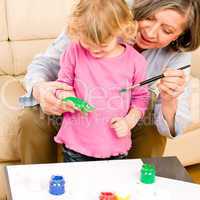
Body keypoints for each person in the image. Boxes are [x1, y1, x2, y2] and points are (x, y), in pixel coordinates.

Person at [19, 0, 200, 163]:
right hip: (74, 109)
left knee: (151, 116)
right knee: (32, 118)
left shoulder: (174, 57)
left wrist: (169, 100)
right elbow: (46, 65)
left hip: (123, 118)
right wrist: (41, 90)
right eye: (149, 18)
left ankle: (140, 187)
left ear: (179, 35)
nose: (150, 32)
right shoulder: (102, 16)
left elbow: (167, 124)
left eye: (167, 30)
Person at [53, 0, 149, 162]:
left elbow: (141, 99)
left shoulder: (136, 61)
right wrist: (67, 98)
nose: (95, 49)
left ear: (121, 30)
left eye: (103, 44)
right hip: (76, 143)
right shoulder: (74, 50)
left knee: (112, 187)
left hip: (115, 146)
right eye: (88, 43)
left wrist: (128, 122)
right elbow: (63, 85)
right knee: (78, 186)